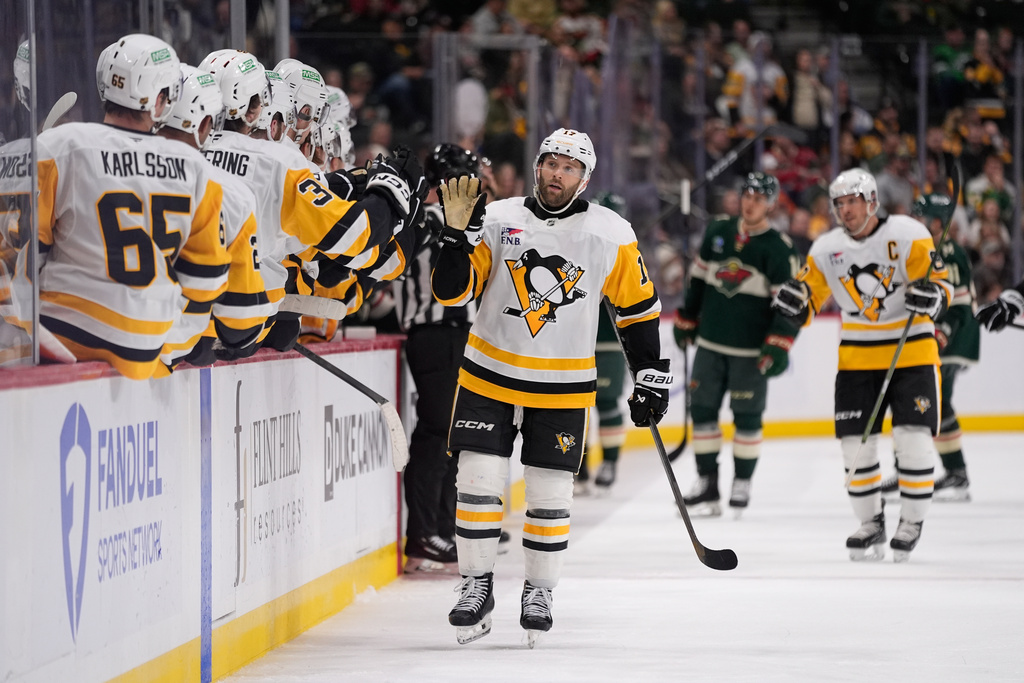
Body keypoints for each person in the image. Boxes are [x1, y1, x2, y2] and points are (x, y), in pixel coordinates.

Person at [431, 128, 669, 645]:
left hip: (562, 384)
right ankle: (475, 584)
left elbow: (638, 309)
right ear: (537, 166)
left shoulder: (611, 233)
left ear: (585, 178)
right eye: (550, 163)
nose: (556, 174)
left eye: (569, 167)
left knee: (550, 494)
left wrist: (650, 375)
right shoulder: (496, 218)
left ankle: (539, 590)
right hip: (488, 374)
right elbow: (453, 295)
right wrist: (454, 240)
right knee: (477, 481)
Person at [10, 34, 231, 380]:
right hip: (147, 347)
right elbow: (207, 277)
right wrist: (170, 340)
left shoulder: (60, 146)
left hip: (65, 336)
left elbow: (21, 255)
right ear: (161, 100)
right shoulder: (196, 168)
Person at [771, 168, 953, 562]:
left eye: (852, 201)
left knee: (914, 441)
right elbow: (810, 294)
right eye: (839, 204)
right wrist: (795, 302)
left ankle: (911, 521)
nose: (845, 210)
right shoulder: (825, 248)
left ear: (872, 201)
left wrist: (935, 296)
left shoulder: (908, 233)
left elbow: (941, 282)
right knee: (855, 447)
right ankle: (870, 521)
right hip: (857, 357)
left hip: (913, 352)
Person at [199, 49, 422, 352]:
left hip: (176, 321)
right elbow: (354, 242)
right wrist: (389, 193)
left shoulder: (177, 152)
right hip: (243, 323)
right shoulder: (279, 163)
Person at [673, 172, 801, 517]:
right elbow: (698, 279)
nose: (751, 202)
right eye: (747, 194)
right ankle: (707, 483)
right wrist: (687, 316)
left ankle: (741, 482)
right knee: (702, 412)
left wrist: (779, 343)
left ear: (771, 204)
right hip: (711, 344)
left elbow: (790, 307)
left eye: (759, 198)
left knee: (747, 417)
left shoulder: (779, 249)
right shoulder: (718, 231)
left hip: (749, 352)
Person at [395, 144, 482, 574]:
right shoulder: (428, 216)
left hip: (456, 336)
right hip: (436, 335)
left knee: (453, 437)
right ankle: (425, 533)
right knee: (437, 433)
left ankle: (443, 528)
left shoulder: (440, 217)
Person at [156, 65, 271, 371]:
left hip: (90, 343)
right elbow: (240, 322)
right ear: (204, 121)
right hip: (171, 353)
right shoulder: (229, 191)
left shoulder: (97, 160)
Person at [880, 194, 978, 501]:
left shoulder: (950, 252)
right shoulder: (918, 247)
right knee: (906, 399)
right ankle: (907, 470)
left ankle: (956, 473)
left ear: (939, 223)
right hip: (925, 336)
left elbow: (961, 305)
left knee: (939, 402)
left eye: (922, 217)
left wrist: (944, 331)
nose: (915, 221)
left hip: (953, 339)